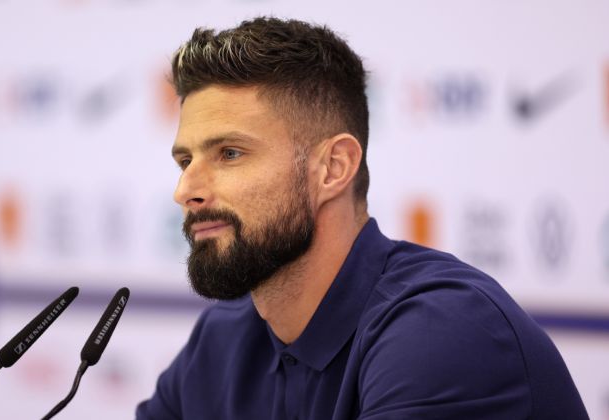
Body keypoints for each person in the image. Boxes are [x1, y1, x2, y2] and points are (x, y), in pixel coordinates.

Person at [136, 17, 588, 420]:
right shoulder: (224, 339)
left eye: (229, 153)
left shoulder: (444, 330)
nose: (186, 191)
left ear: (333, 167)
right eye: (184, 161)